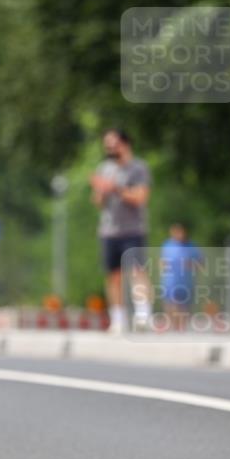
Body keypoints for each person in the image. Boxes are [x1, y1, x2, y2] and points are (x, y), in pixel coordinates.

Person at [89, 129, 152, 333]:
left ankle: (143, 315)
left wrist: (115, 188)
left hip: (133, 229)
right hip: (109, 231)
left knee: (137, 272)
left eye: (113, 144)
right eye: (106, 144)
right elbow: (97, 202)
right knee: (113, 276)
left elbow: (141, 197)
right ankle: (118, 318)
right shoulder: (104, 168)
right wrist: (101, 190)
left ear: (125, 144)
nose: (109, 148)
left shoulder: (138, 168)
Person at [160, 223, 204, 331]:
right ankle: (172, 326)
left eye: (180, 231)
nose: (178, 234)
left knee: (184, 305)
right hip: (170, 281)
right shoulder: (167, 245)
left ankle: (182, 327)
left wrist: (190, 265)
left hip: (186, 281)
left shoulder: (192, 246)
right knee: (171, 303)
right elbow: (162, 262)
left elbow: (201, 264)